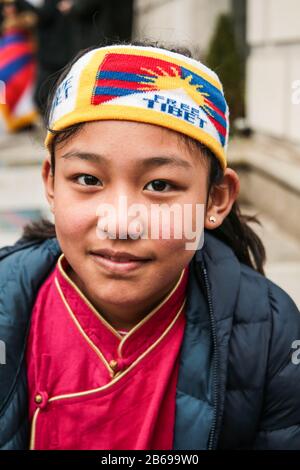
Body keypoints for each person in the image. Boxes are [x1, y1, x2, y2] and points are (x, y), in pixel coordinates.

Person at [0, 42, 300, 450]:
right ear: (51, 182)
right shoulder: (7, 308)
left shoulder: (270, 336)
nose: (120, 223)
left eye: (160, 186)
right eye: (88, 179)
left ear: (216, 200)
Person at [0, 0, 37, 134]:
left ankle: (24, 118)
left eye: (10, 6)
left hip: (23, 57)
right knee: (8, 84)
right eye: (5, 6)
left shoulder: (27, 17)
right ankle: (15, 119)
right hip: (7, 57)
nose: (7, 9)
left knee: (24, 86)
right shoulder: (5, 22)